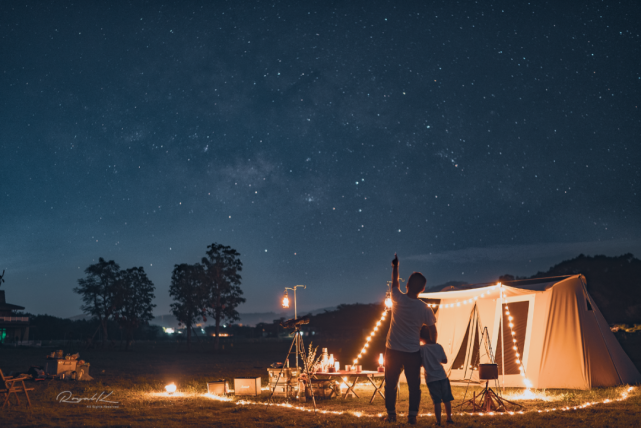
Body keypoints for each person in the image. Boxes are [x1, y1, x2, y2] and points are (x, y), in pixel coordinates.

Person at [383, 254, 437, 425]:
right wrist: (431, 345)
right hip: (413, 352)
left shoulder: (397, 298)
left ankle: (391, 415)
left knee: (390, 383)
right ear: (422, 289)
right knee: (414, 386)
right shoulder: (424, 308)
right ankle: (412, 417)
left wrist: (395, 267)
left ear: (407, 285)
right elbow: (433, 329)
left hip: (392, 350)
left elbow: (394, 283)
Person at [420, 325, 454, 426]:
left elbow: (420, 362)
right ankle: (449, 418)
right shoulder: (438, 346)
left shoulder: (422, 349)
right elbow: (445, 360)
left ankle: (438, 421)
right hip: (442, 377)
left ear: (420, 338)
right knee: (447, 399)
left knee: (437, 401)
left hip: (431, 379)